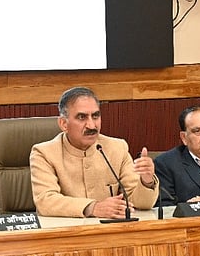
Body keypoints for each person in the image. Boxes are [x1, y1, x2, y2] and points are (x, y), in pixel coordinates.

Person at [29, 87, 158, 217]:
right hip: (67, 232)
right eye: (82, 117)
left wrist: (146, 181)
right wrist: (92, 207)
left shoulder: (117, 148)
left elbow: (141, 204)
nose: (91, 125)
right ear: (63, 124)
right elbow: (46, 201)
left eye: (95, 116)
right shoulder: (44, 153)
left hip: (110, 231)